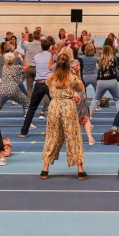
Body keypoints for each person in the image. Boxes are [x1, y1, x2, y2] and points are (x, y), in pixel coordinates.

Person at [40, 52, 87, 180]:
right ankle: (80, 170)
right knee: (73, 136)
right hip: (68, 107)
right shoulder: (71, 77)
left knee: (52, 136)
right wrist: (78, 73)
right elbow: (80, 88)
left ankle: (45, 169)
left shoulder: (51, 78)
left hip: (54, 106)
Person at [19, 39, 53, 137]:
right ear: (50, 47)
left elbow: (30, 65)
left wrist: (24, 57)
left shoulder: (36, 57)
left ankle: (24, 131)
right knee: (57, 106)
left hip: (39, 84)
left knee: (32, 108)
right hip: (49, 84)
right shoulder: (52, 56)